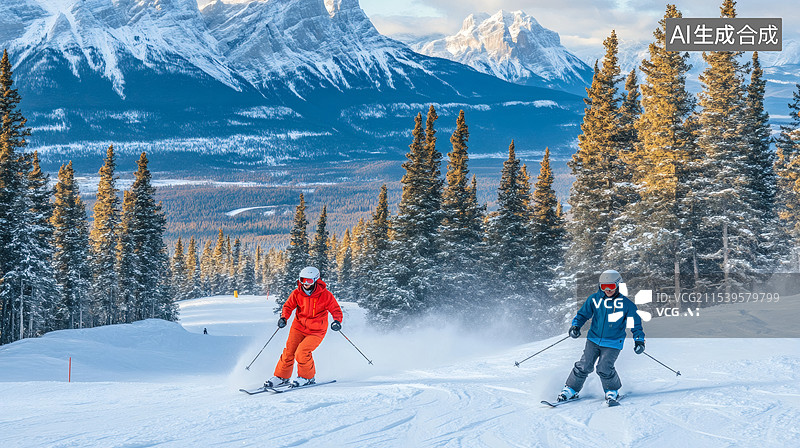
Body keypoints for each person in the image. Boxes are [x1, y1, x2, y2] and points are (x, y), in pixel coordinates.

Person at [557, 270, 645, 403]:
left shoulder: (627, 305)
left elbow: (636, 324)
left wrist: (639, 340)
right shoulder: (594, 299)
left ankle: (611, 390)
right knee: (584, 365)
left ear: (618, 285)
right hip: (593, 339)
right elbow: (582, 315)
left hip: (613, 342)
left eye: (611, 286)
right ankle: (571, 389)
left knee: (604, 367)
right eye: (604, 286)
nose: (608, 290)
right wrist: (576, 326)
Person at [265, 266, 343, 388]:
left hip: (317, 330)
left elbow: (335, 309)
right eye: (303, 280)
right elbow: (288, 306)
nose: (305, 283)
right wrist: (284, 317)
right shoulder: (297, 293)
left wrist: (337, 321)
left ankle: (307, 377)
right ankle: (282, 377)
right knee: (289, 351)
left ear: (316, 280)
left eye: (309, 281)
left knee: (302, 352)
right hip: (298, 327)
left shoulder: (325, 295)